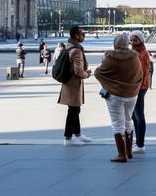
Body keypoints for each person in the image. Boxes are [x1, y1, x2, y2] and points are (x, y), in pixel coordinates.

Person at [95, 33, 143, 162]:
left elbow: (98, 73)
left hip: (115, 95)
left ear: (115, 44)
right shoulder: (135, 58)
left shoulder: (110, 58)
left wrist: (110, 84)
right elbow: (140, 75)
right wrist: (134, 89)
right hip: (132, 95)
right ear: (127, 43)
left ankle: (121, 154)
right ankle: (129, 151)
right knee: (128, 121)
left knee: (117, 124)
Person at [58, 25, 93, 146]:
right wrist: (87, 74)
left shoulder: (69, 47)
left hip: (69, 83)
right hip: (73, 84)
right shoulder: (77, 50)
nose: (84, 36)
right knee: (73, 111)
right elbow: (78, 71)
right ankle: (67, 138)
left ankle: (78, 134)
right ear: (76, 36)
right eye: (82, 34)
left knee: (75, 109)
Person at [130, 31, 150, 153]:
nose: (132, 42)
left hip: (140, 87)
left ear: (141, 41)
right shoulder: (135, 52)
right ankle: (138, 142)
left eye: (135, 40)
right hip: (134, 87)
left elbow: (141, 73)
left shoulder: (143, 54)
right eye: (131, 40)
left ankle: (140, 144)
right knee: (134, 116)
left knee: (139, 115)